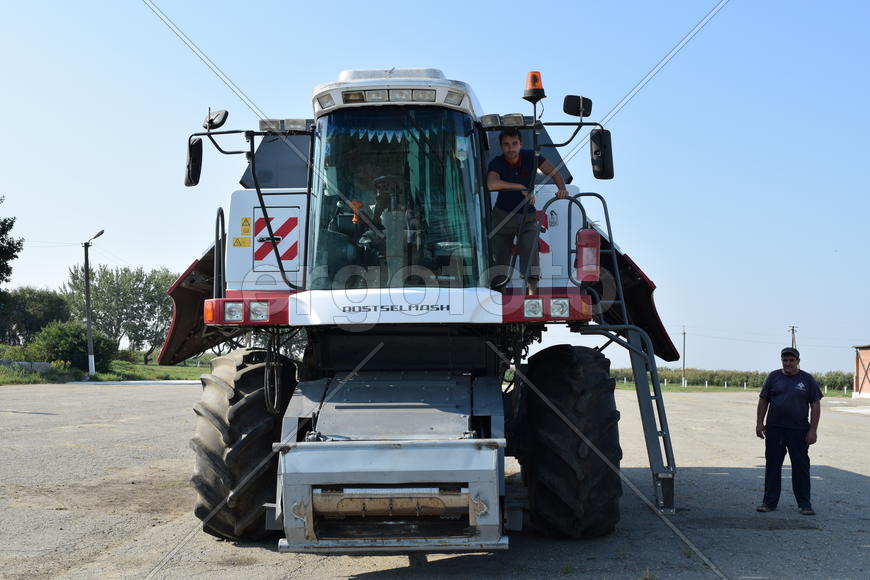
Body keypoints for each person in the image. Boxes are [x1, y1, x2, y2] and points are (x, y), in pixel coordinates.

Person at [487, 129, 568, 295]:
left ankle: (532, 295)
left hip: (527, 217)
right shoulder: (497, 162)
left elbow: (554, 172)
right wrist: (520, 188)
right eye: (506, 145)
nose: (511, 148)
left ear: (521, 144)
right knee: (500, 258)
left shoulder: (531, 157)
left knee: (530, 251)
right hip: (502, 217)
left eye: (514, 144)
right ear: (501, 147)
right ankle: (498, 295)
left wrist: (562, 190)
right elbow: (491, 184)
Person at [755, 347, 822, 515]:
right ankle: (769, 503)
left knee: (800, 467)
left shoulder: (807, 379)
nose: (788, 363)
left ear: (798, 361)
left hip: (799, 431)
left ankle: (805, 504)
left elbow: (815, 405)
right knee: (772, 466)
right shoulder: (773, 377)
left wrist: (813, 430)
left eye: (791, 360)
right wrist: (759, 423)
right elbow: (763, 400)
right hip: (775, 430)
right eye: (785, 360)